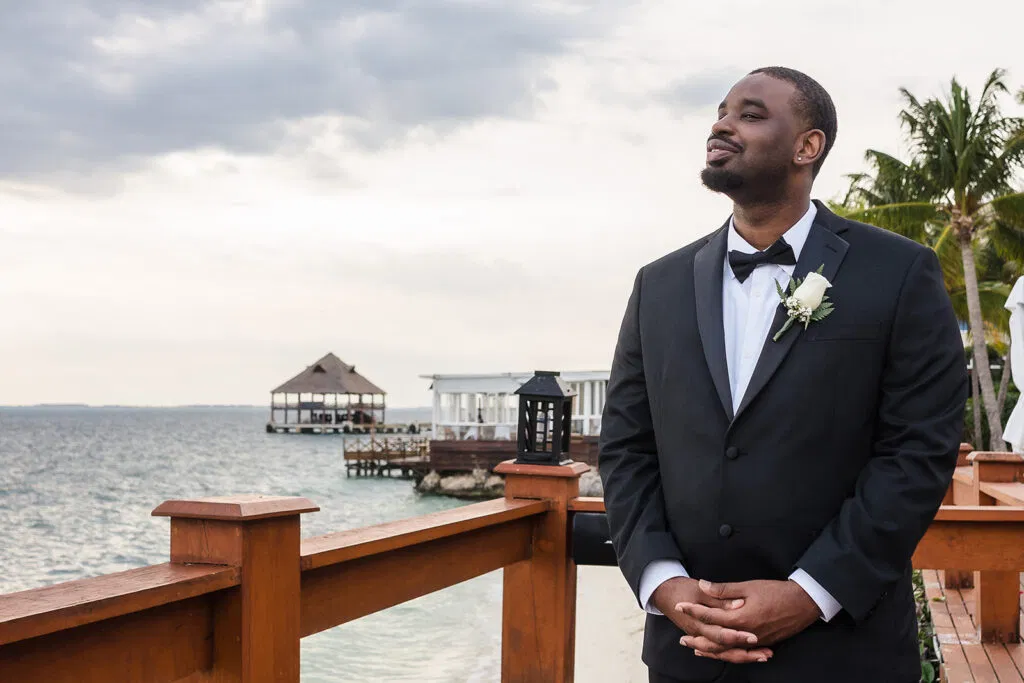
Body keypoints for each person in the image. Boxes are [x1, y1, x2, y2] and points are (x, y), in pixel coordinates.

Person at [598, 66, 967, 683]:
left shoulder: (900, 272)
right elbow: (626, 448)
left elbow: (917, 452)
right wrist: (665, 586)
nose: (721, 124)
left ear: (807, 146)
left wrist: (809, 594)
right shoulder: (657, 284)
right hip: (689, 652)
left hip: (845, 652)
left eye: (750, 113)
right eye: (720, 112)